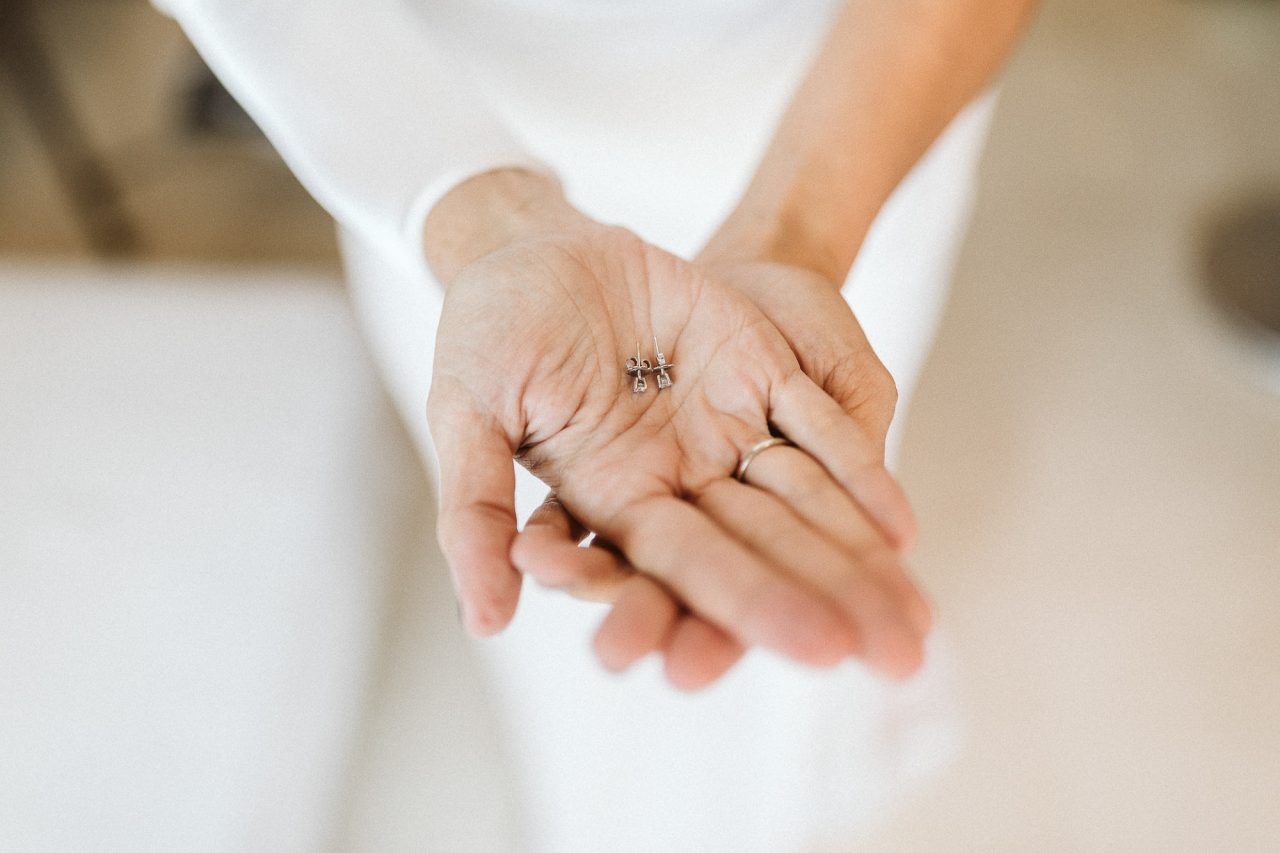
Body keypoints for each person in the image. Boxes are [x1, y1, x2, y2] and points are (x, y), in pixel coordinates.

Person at [161, 0, 1035, 848]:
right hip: (417, 132)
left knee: (801, 505)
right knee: (570, 627)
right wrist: (472, 214)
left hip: (847, 125)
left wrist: (796, 237)